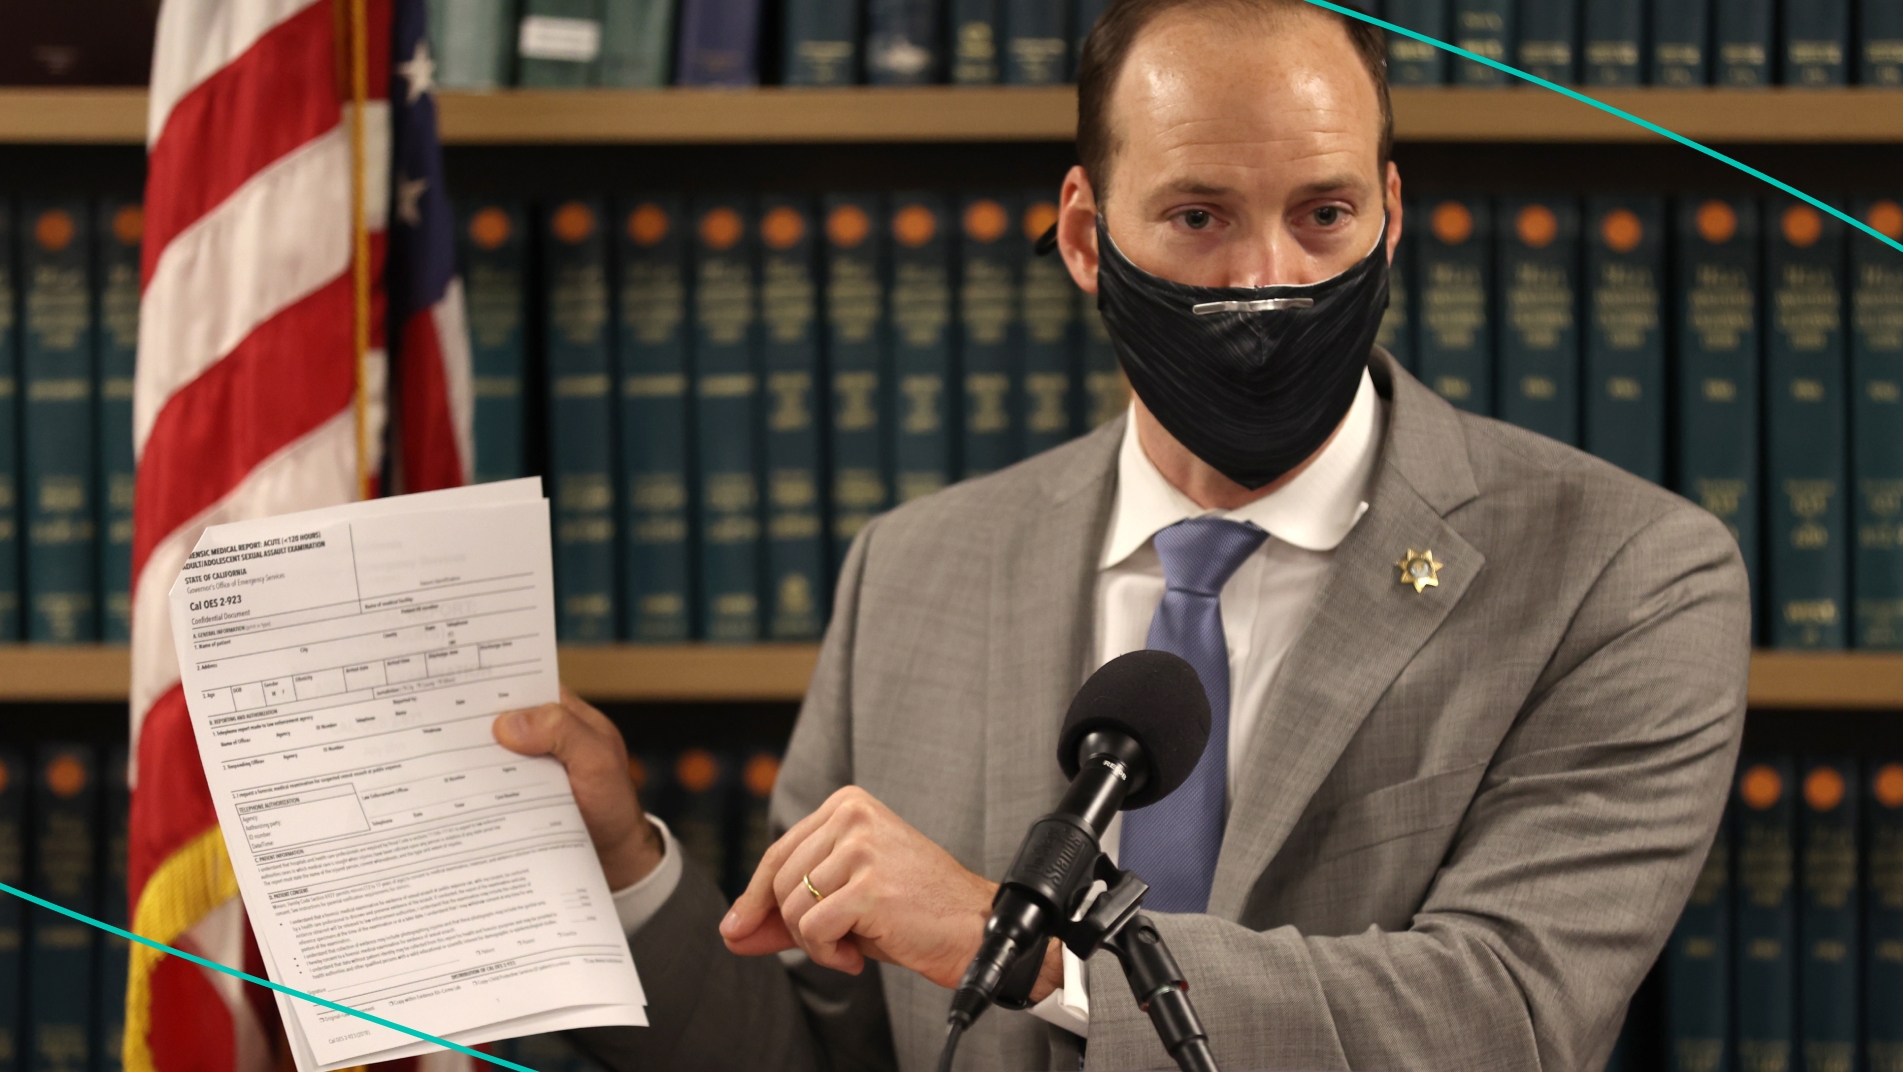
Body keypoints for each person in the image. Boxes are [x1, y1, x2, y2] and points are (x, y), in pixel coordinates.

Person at [493, 0, 1751, 1067]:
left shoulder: (1624, 574)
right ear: (1088, 238)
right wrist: (620, 862)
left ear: (1390, 214)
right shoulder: (913, 568)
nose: (1266, 279)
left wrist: (1026, 952)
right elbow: (819, 1046)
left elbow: (1510, 1014)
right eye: (1199, 217)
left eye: (1322, 214)